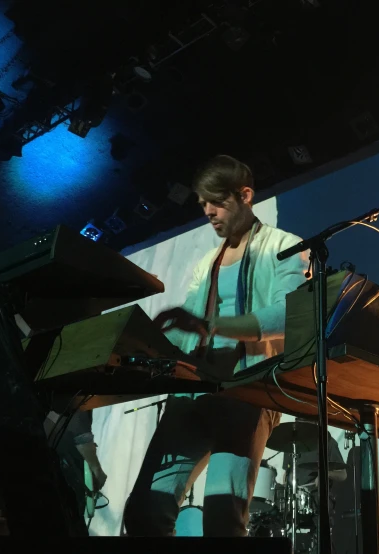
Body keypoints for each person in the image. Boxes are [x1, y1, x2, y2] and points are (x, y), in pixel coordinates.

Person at [124, 155, 310, 537]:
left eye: (217, 202)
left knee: (224, 520)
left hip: (247, 394)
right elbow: (190, 328)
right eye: (203, 203)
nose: (208, 211)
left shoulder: (285, 247)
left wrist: (210, 324)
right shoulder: (207, 261)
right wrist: (150, 348)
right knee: (145, 509)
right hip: (193, 393)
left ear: (245, 195)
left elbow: (286, 315)